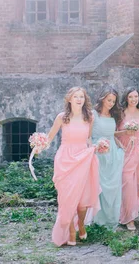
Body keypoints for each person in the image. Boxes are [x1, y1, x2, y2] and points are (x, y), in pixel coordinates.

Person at [47, 87, 100, 246]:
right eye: (75, 96)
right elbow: (49, 138)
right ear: (69, 99)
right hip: (65, 160)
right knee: (66, 198)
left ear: (85, 99)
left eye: (81, 97)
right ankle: (71, 230)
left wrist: (94, 149)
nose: (79, 99)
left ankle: (81, 224)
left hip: (83, 158)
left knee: (83, 199)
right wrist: (38, 144)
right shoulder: (62, 117)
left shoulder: (89, 117)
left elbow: (89, 138)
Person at [91, 86, 125, 229]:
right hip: (98, 153)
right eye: (109, 100)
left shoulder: (113, 116)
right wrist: (95, 147)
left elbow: (112, 134)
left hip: (112, 154)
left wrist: (119, 145)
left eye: (113, 101)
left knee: (114, 186)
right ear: (102, 98)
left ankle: (111, 219)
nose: (111, 103)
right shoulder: (94, 114)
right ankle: (99, 220)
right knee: (100, 185)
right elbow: (89, 135)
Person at [115, 87, 139, 231]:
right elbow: (113, 132)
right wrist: (125, 133)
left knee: (138, 184)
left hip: (138, 152)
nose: (134, 100)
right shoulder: (120, 113)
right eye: (131, 97)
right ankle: (128, 218)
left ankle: (133, 212)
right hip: (124, 151)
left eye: (136, 97)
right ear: (126, 98)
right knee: (127, 183)